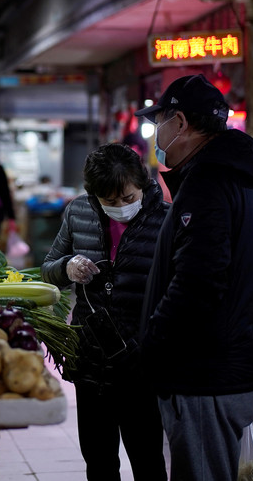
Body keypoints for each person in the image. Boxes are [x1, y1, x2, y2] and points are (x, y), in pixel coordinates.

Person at [133, 74, 253, 481]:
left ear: (179, 122)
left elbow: (197, 284)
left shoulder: (208, 183)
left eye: (158, 122)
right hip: (225, 369)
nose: (156, 134)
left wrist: (152, 345)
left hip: (204, 377)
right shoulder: (239, 180)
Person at [42, 143, 168, 480]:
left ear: (143, 184)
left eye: (128, 198)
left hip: (140, 361)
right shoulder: (78, 212)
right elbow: (48, 268)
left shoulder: (166, 220)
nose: (121, 208)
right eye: (109, 201)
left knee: (148, 460)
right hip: (91, 357)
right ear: (94, 195)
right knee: (98, 461)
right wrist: (67, 267)